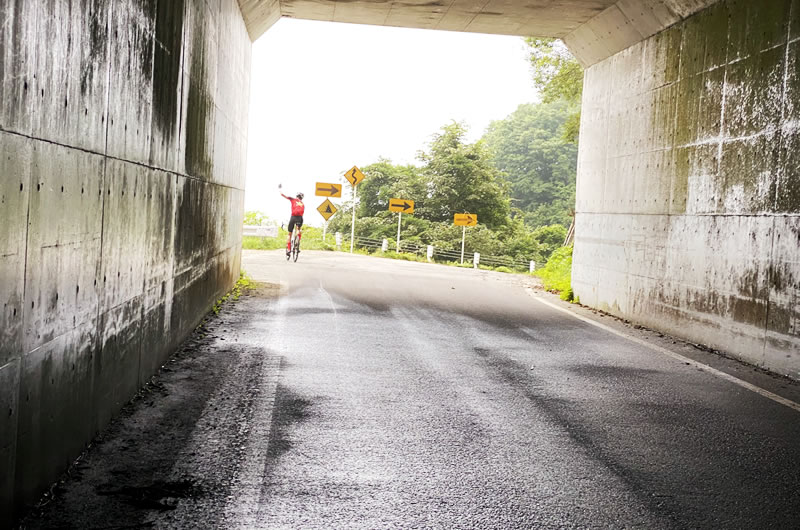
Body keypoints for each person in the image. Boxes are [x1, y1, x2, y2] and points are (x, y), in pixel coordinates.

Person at [280, 186, 305, 256]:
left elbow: (284, 195)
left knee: (289, 234)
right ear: (302, 198)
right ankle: (297, 241)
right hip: (300, 218)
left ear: (297, 196)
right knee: (298, 229)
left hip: (293, 217)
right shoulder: (302, 204)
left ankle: (288, 249)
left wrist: (280, 190)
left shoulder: (293, 199)